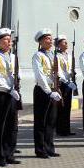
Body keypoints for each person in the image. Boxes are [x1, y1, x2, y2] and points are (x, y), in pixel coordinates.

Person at [0, 28, 20, 167]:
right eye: (6, 40)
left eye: (10, 39)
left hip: (13, 93)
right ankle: (0, 156)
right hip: (2, 93)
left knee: (12, 126)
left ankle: (9, 154)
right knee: (0, 126)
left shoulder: (13, 57)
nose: (9, 42)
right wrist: (8, 88)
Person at [32, 29, 61, 159]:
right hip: (43, 91)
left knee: (51, 121)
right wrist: (49, 91)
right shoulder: (38, 56)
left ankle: (49, 147)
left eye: (51, 38)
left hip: (53, 90)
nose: (50, 41)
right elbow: (40, 75)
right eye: (47, 39)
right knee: (41, 121)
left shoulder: (53, 55)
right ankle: (40, 149)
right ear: (41, 41)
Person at [54, 34, 78, 136]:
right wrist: (66, 81)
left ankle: (66, 129)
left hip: (69, 83)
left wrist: (73, 76)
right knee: (61, 107)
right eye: (64, 42)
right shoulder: (57, 56)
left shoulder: (69, 56)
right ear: (59, 44)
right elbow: (58, 71)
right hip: (62, 84)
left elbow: (70, 70)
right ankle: (60, 129)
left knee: (67, 107)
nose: (66, 44)